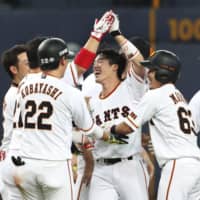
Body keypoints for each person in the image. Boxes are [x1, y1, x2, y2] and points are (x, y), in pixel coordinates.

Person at [11, 37, 124, 200]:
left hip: (25, 164)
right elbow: (91, 130)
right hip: (54, 165)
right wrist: (113, 138)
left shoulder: (25, 83)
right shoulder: (70, 93)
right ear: (63, 60)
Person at [109, 50, 200, 199]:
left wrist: (110, 128)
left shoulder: (156, 95)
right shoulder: (178, 96)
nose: (148, 74)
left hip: (178, 165)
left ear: (163, 74)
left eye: (152, 70)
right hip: (195, 165)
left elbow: (126, 128)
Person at [0, 44, 30, 200]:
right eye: (26, 63)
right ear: (14, 69)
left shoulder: (24, 90)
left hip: (16, 156)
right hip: (14, 158)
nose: (32, 65)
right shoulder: (16, 95)